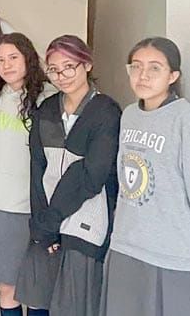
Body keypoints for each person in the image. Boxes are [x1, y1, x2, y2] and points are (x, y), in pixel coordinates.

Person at [99, 37, 190, 316]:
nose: (143, 75)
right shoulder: (129, 115)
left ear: (173, 76)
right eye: (136, 66)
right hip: (127, 246)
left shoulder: (187, 121)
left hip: (172, 252)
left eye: (155, 68)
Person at [15, 35, 121, 316]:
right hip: (46, 223)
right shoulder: (47, 110)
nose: (61, 76)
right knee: (38, 299)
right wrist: (41, 225)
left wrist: (51, 222)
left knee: (73, 305)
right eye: (53, 69)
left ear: (86, 64)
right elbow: (37, 168)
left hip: (84, 224)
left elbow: (91, 176)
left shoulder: (106, 112)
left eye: (69, 66)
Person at [0, 33, 49, 316]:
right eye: (0, 60)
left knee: (36, 287)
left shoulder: (48, 98)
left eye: (13, 58)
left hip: (34, 205)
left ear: (28, 58)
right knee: (8, 286)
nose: (6, 65)